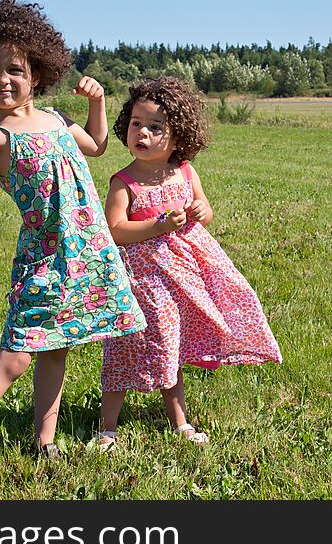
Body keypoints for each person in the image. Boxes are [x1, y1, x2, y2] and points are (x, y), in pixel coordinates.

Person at [0, 0, 145, 493]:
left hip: (85, 253)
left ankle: (45, 442)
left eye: (14, 68)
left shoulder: (60, 122)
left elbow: (97, 145)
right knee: (14, 358)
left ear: (37, 73)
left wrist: (98, 103)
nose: (2, 79)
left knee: (56, 350)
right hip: (44, 260)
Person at [98, 77, 281, 451]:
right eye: (136, 123)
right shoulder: (124, 182)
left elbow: (206, 210)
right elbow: (114, 231)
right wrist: (158, 225)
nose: (142, 133)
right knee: (123, 347)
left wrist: (201, 210)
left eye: (155, 127)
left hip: (184, 276)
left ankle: (179, 421)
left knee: (172, 346)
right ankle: (108, 428)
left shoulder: (184, 171)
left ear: (178, 136)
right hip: (143, 280)